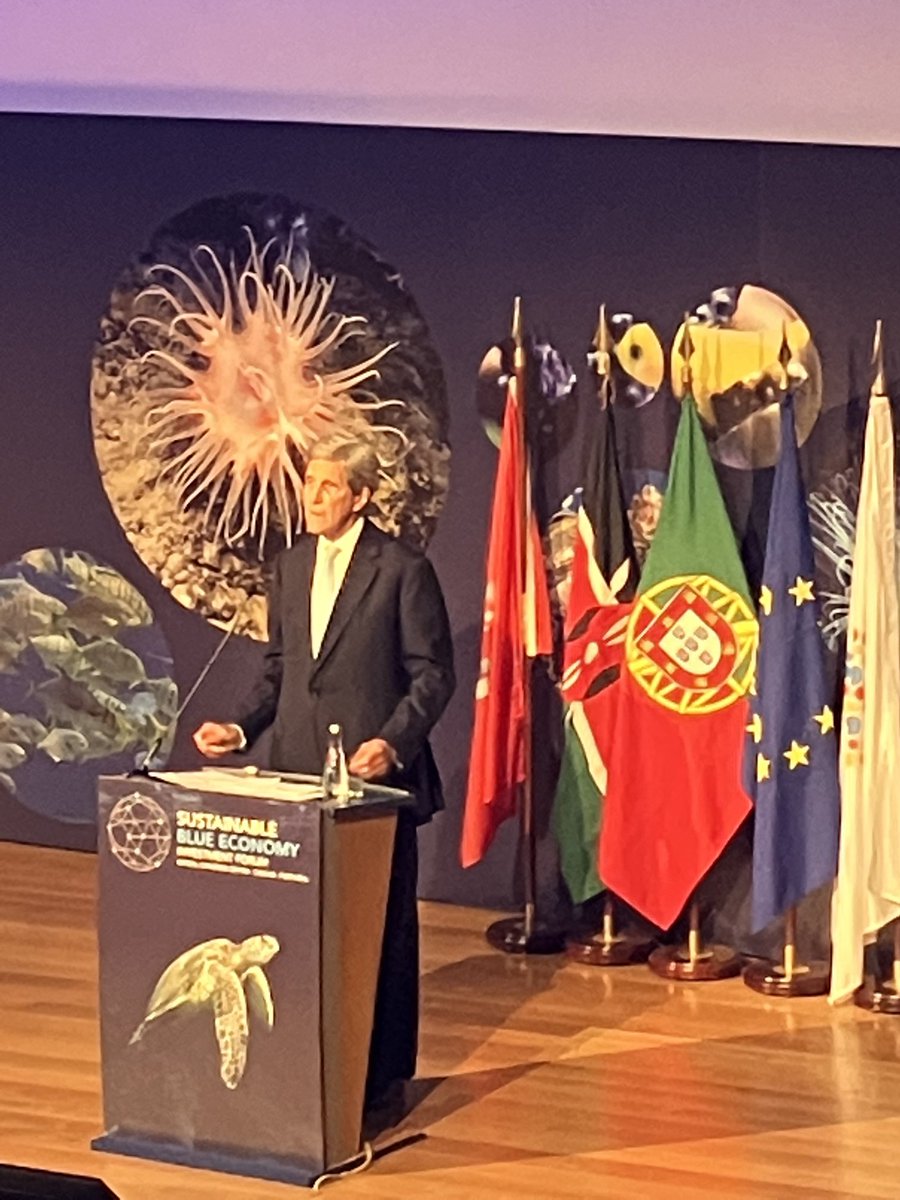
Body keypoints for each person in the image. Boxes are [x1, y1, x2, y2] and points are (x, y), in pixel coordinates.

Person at [193, 433, 455, 1117]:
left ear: (362, 496)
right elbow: (281, 669)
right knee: (300, 926)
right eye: (309, 483)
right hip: (297, 775)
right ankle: (303, 1065)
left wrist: (393, 744)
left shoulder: (401, 568)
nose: (312, 497)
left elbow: (433, 675)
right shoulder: (291, 565)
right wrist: (242, 729)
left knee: (378, 929)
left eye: (328, 486)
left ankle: (381, 1080)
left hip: (371, 781)